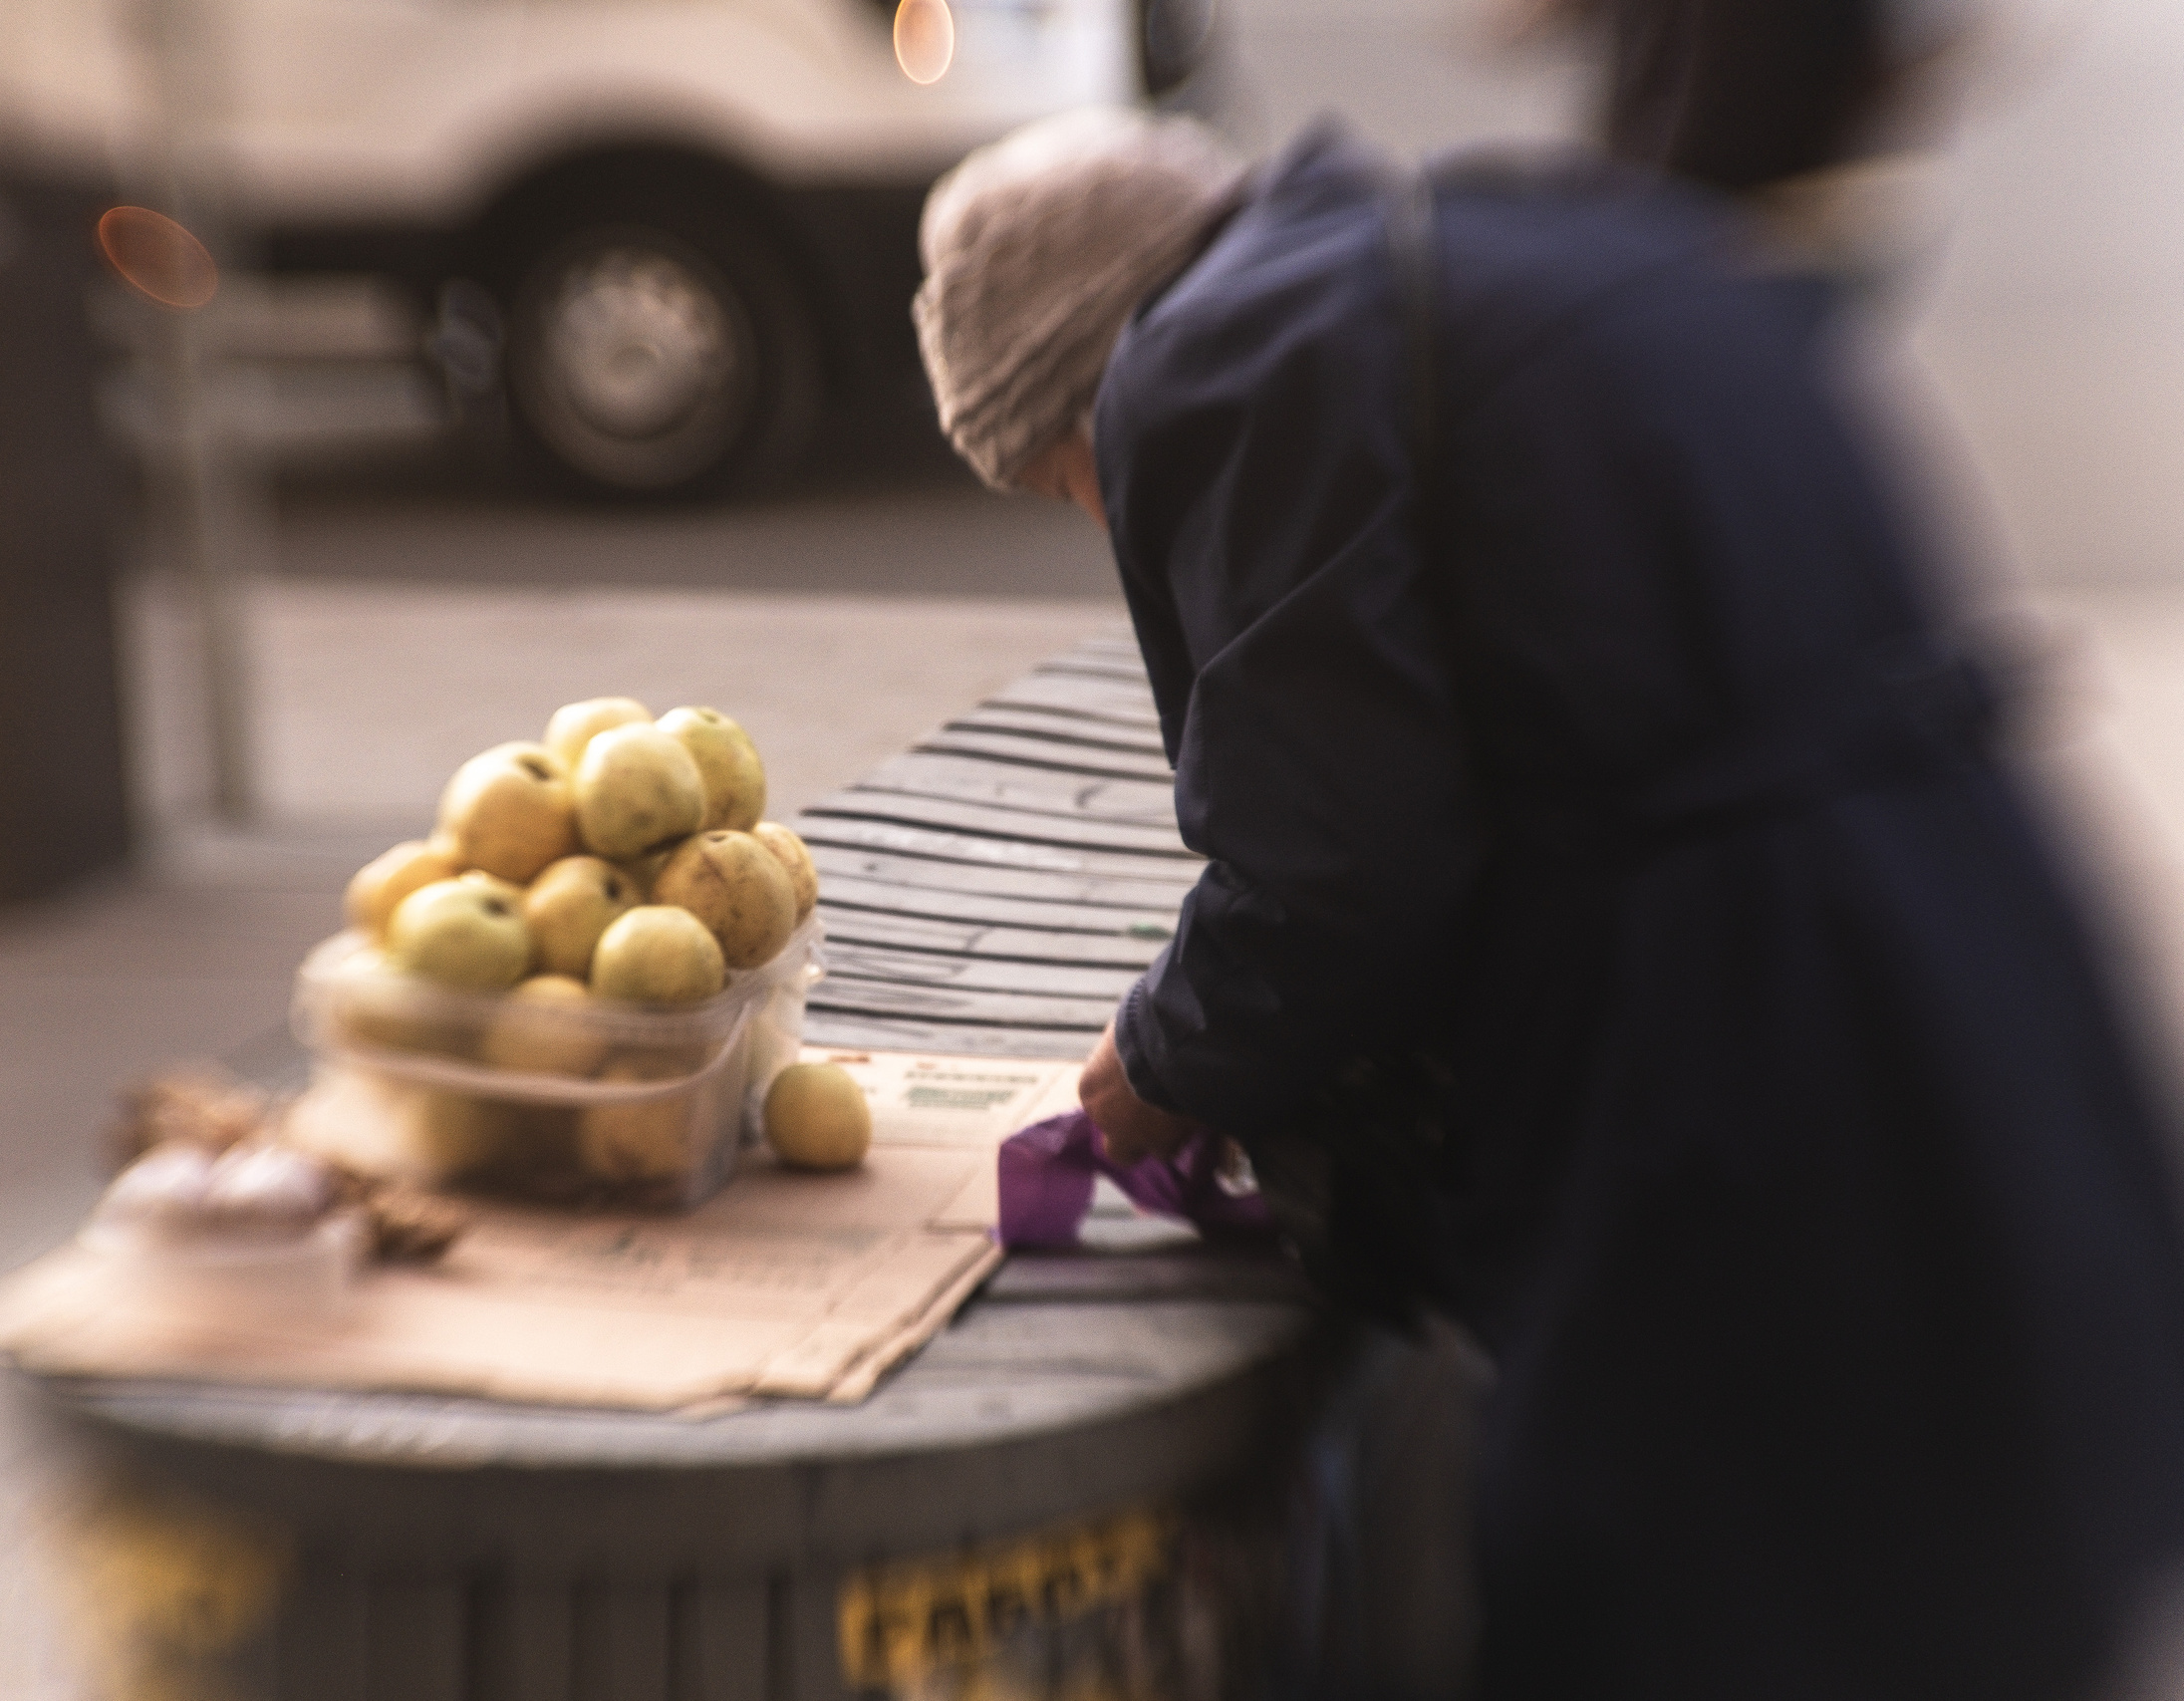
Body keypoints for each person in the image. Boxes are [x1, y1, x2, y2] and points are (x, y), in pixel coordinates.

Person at [911, 59, 2184, 1701]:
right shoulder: (1502, 242)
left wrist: (1160, 1063)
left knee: (1701, 1590)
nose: (1106, 519)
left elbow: (1335, 858)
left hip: (1739, 1023)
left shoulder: (1226, 353)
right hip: (1959, 935)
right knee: (1939, 1521)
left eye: (1068, 483)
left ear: (1083, 375)